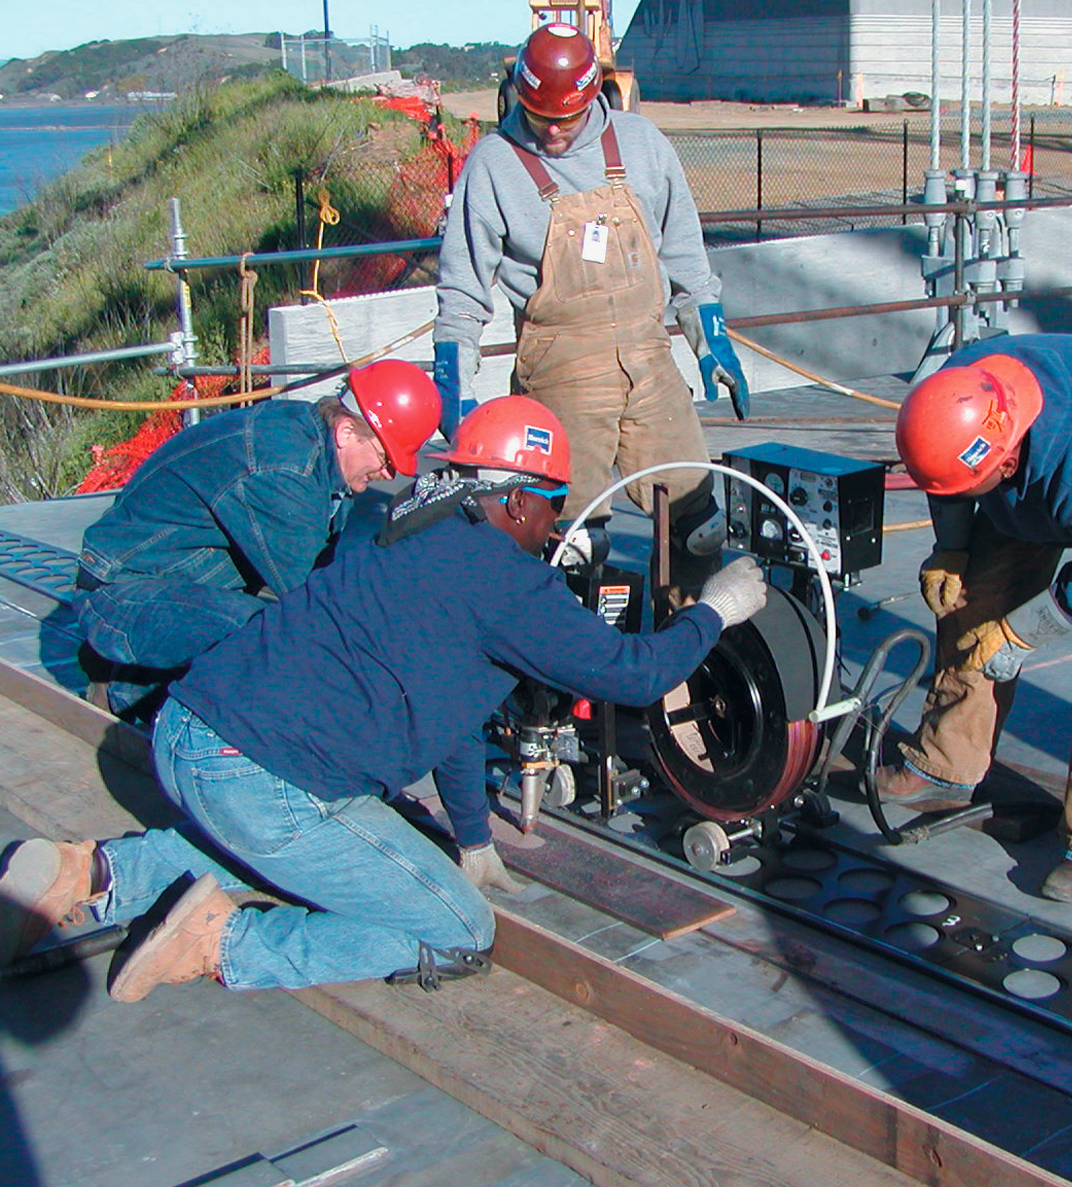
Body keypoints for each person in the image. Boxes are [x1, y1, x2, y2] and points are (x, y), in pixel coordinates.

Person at [0, 395, 767, 998]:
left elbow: (453, 716)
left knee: (320, 845)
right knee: (455, 927)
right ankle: (225, 946)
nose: (553, 529)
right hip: (264, 778)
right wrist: (714, 611)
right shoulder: (507, 581)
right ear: (519, 500)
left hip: (189, 736)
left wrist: (473, 836)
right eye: (554, 508)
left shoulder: (403, 531)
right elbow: (633, 674)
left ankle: (91, 877)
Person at [875, 333, 1072, 902]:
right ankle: (947, 763)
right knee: (972, 598)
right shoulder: (954, 397)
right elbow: (945, 482)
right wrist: (952, 548)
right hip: (1039, 464)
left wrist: (1024, 631)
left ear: (1006, 457)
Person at [433, 22, 749, 583]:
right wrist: (454, 382)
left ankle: (689, 654)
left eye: (567, 119)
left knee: (698, 527)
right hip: (561, 372)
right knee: (572, 544)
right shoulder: (493, 164)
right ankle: (574, 664)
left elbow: (684, 255)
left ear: (596, 95)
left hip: (648, 361)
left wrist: (711, 337)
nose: (552, 132)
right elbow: (463, 291)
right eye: (539, 117)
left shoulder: (643, 144)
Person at [74, 359, 440, 719]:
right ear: (346, 432)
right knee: (270, 640)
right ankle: (122, 685)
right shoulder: (283, 471)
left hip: (173, 581)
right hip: (119, 591)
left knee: (286, 633)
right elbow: (312, 604)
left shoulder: (316, 451)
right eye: (385, 457)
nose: (388, 473)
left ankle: (141, 671)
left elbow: (325, 575)